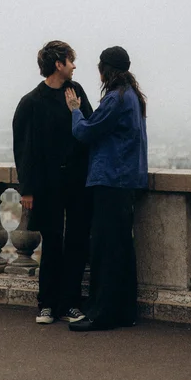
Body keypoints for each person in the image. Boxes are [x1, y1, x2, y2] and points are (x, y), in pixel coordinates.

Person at [64, 45, 148, 331]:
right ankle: (124, 312)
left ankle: (102, 313)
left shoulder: (115, 98)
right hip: (126, 180)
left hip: (111, 179)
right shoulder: (133, 96)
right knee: (121, 248)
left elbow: (85, 132)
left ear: (104, 71)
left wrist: (75, 111)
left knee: (104, 249)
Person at [12, 40, 93, 325]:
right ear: (58, 64)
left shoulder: (76, 91)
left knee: (77, 242)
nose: (74, 66)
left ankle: (70, 303)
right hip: (47, 184)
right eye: (71, 60)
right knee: (52, 242)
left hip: (77, 181)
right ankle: (47, 303)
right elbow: (24, 150)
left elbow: (89, 131)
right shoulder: (31, 102)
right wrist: (27, 189)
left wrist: (76, 110)